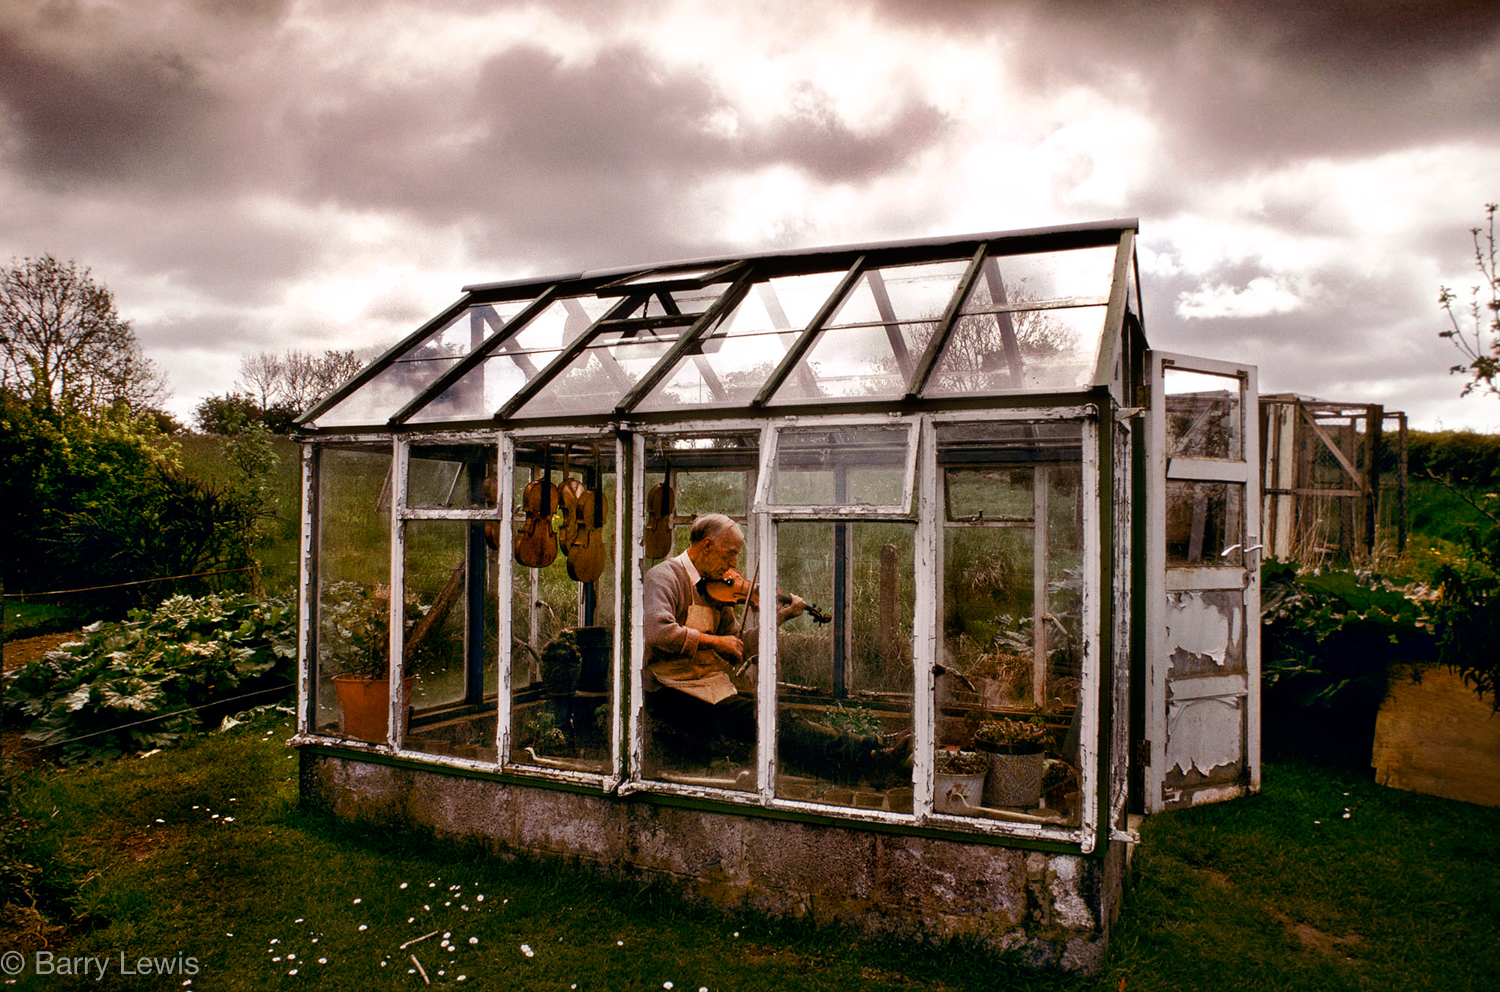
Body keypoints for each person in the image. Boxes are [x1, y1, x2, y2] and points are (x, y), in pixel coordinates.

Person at [641, 513, 909, 784]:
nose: (734, 564)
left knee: (778, 715)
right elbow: (658, 633)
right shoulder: (664, 577)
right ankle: (867, 760)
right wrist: (715, 641)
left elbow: (740, 645)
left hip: (707, 688)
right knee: (773, 721)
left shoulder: (716, 590)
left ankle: (867, 746)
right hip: (670, 692)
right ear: (707, 546)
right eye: (730, 554)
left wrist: (782, 617)